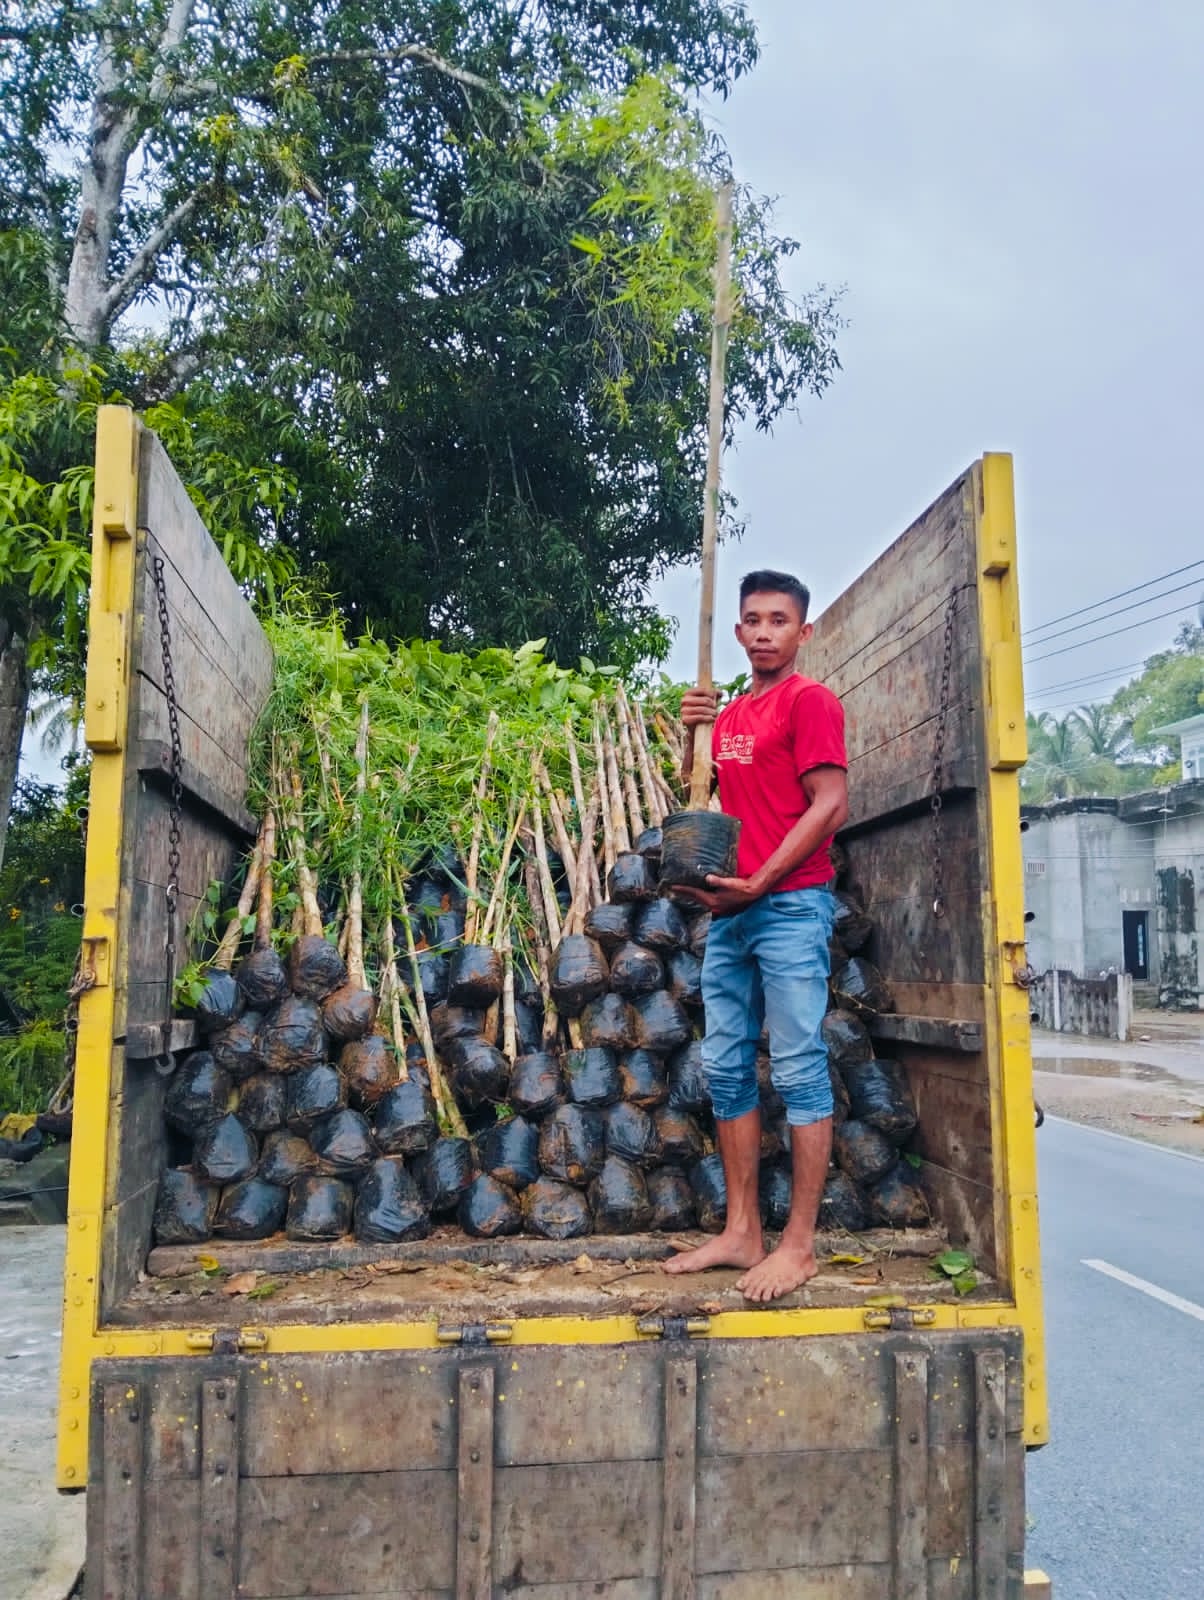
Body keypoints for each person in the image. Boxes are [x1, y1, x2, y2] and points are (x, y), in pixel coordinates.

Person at [663, 569, 848, 1302]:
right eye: (753, 620)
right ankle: (743, 1232)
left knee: (800, 1064)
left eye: (780, 620)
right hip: (732, 910)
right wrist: (691, 732)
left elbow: (830, 804)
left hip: (792, 904)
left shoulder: (811, 702)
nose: (765, 631)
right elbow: (699, 794)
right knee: (727, 1066)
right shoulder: (732, 716)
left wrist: (763, 881)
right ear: (737, 632)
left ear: (802, 633)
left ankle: (797, 1246)